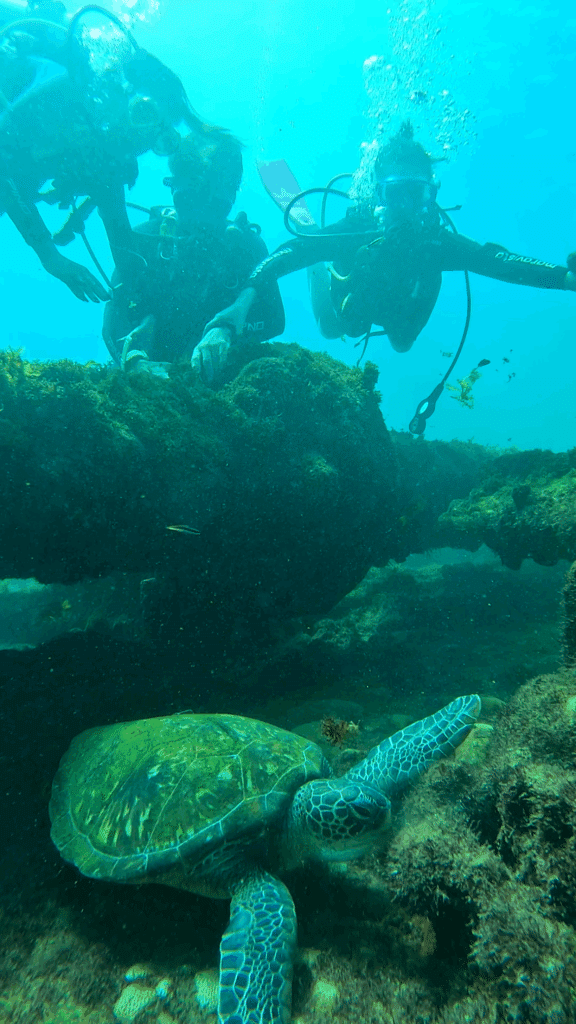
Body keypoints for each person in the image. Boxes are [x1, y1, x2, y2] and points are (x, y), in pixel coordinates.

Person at [195, 121, 576, 385]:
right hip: (356, 294)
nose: (405, 207)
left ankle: (320, 252)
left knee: (402, 343)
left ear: (430, 195)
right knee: (334, 328)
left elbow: (496, 261)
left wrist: (565, 277)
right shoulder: (356, 228)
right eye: (395, 193)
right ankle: (318, 260)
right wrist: (238, 308)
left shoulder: (435, 242)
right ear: (378, 194)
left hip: (405, 302)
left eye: (417, 194)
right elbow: (289, 253)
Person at [0, 3, 216, 302]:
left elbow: (122, 241)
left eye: (163, 139)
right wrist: (50, 257)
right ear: (125, 92)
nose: (144, 139)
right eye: (144, 114)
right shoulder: (62, 95)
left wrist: (146, 300)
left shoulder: (110, 157)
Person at [102, 128, 285, 374]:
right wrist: (135, 360)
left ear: (231, 196)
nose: (201, 218)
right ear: (173, 189)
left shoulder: (247, 249)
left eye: (215, 206)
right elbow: (113, 319)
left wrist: (227, 330)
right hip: (148, 376)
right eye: (189, 201)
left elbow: (273, 320)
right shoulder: (143, 242)